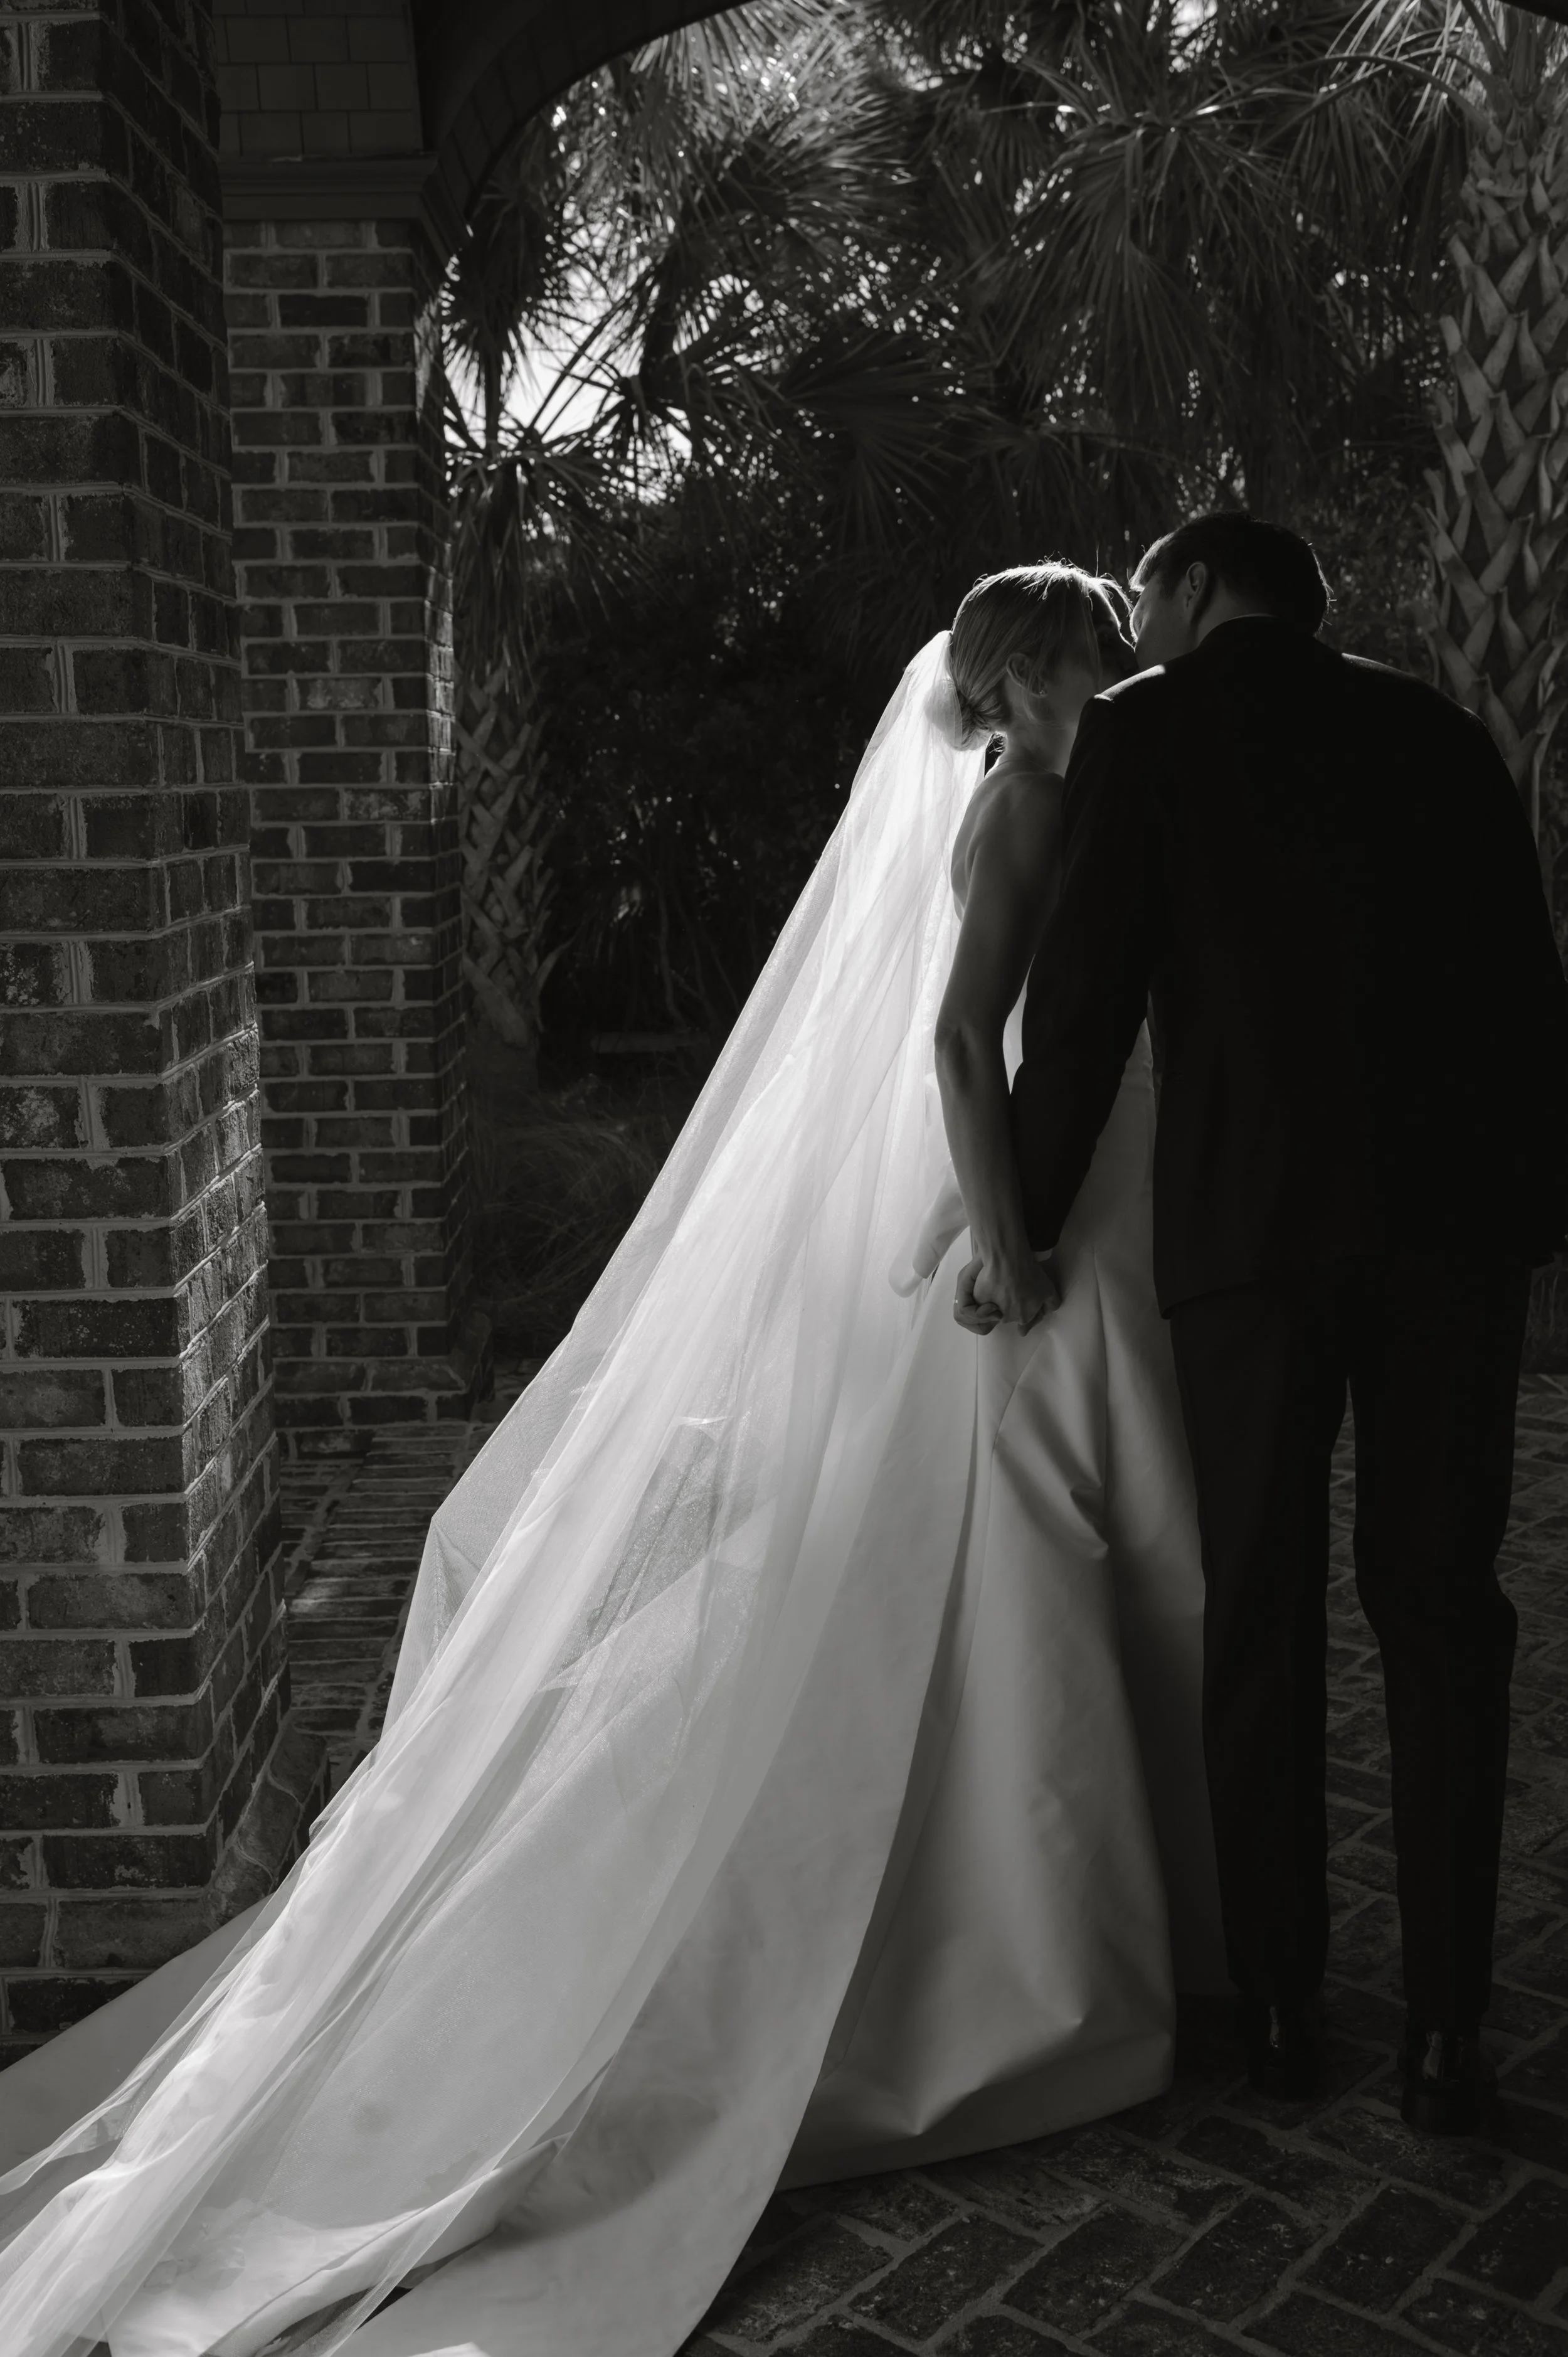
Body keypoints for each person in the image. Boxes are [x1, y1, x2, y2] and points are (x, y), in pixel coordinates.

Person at [0, 570, 1222, 2357]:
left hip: (1067, 1194)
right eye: (1089, 657)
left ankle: (1069, 1932)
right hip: (1031, 1223)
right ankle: (1019, 1962)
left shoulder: (1056, 795)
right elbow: (963, 1040)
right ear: (1031, 677)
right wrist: (1013, 1233)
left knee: (1042, 1555)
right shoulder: (1028, 804)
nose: (1111, 681)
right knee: (1017, 1554)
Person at [1000, 511, 1568, 2132]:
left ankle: (1275, 2007)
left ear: (1186, 590)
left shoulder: (1143, 729)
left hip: (1245, 1237)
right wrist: (1531, 1221)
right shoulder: (1437, 731)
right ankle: (1450, 2034)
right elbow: (1529, 996)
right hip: (1447, 1240)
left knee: (1257, 1604)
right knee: (1442, 1606)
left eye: (1149, 595)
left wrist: (1019, 1223)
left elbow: (1087, 1001)